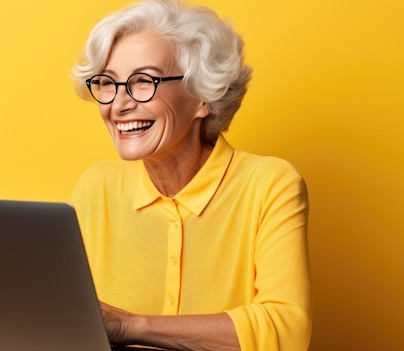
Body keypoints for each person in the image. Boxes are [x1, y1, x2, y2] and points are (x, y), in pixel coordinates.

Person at [69, 1, 312, 350]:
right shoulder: (96, 186)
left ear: (203, 96)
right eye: (108, 83)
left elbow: (288, 331)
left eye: (143, 81)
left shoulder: (270, 185)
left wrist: (129, 325)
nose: (118, 105)